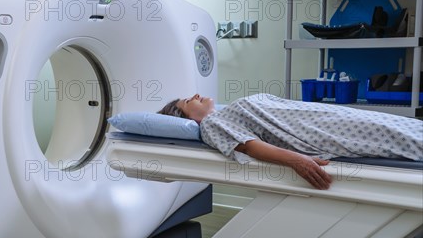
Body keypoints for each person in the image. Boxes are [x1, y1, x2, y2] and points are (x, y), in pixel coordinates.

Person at [158, 93, 423, 190]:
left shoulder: (223, 114)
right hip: (320, 130)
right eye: (187, 101)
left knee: (400, 126)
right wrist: (297, 160)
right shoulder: (212, 125)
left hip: (326, 117)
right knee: (399, 136)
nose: (195, 95)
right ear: (186, 116)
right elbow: (249, 145)